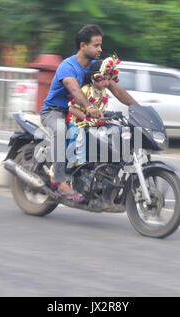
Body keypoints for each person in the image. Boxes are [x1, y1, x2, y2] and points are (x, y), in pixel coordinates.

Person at [40, 24, 137, 203]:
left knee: (111, 133)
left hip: (82, 114)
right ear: (83, 45)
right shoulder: (67, 66)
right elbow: (75, 90)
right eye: (96, 45)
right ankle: (59, 181)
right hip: (55, 112)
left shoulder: (95, 67)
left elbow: (114, 87)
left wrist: (138, 107)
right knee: (61, 130)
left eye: (100, 45)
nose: (100, 49)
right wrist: (90, 107)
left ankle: (96, 175)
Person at [66, 55, 121, 168]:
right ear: (93, 78)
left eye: (108, 79)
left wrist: (106, 118)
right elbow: (72, 108)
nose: (106, 83)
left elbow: (100, 111)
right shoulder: (85, 90)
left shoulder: (103, 92)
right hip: (77, 122)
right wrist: (86, 118)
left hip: (93, 124)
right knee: (79, 136)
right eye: (103, 78)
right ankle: (70, 161)